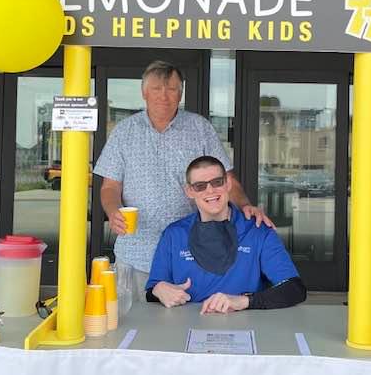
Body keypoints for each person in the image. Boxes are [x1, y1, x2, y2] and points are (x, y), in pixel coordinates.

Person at [95, 61, 271, 299]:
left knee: (192, 319)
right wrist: (113, 210)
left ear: (181, 93)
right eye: (157, 89)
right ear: (144, 93)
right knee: (136, 320)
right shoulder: (124, 132)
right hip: (137, 254)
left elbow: (226, 179)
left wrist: (245, 205)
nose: (164, 96)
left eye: (172, 89)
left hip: (192, 253)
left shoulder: (200, 128)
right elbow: (110, 187)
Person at [146, 155, 306, 314]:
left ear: (228, 183)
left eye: (217, 182)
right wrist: (158, 289)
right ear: (189, 192)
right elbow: (152, 291)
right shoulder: (174, 234)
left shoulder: (257, 230)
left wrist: (244, 301)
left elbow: (294, 289)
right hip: (186, 323)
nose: (210, 190)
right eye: (200, 186)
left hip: (245, 323)